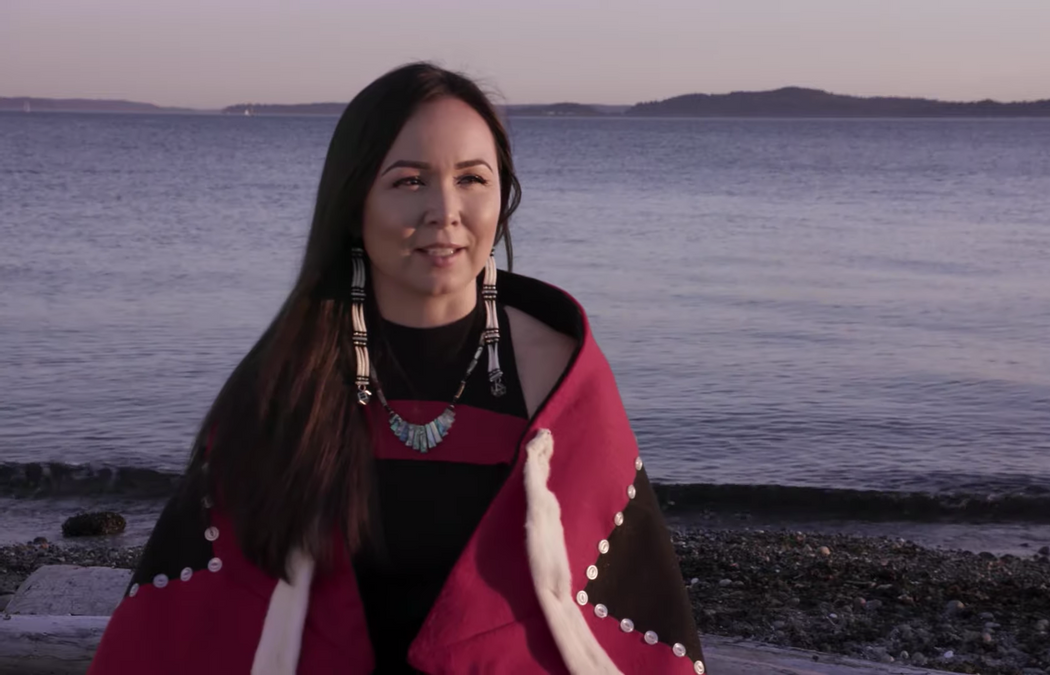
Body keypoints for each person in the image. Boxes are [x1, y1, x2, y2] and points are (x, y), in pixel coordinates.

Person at [87, 63, 705, 674]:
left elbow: (629, 615)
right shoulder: (292, 379)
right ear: (355, 203)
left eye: (471, 179)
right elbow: (192, 611)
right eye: (409, 182)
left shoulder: (561, 380)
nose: (445, 210)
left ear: (502, 196)